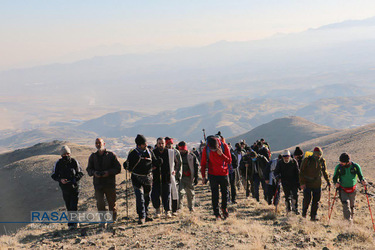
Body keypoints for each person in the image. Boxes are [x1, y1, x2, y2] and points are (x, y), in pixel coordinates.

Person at [86, 138, 121, 225]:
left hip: (109, 184)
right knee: (100, 203)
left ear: (104, 144)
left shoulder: (111, 155)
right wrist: (94, 173)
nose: (98, 144)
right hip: (98, 185)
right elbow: (89, 169)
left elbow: (118, 168)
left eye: (99, 143)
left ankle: (112, 220)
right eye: (96, 143)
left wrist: (108, 172)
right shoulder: (93, 156)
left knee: (112, 203)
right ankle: (103, 221)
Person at [126, 134, 158, 224]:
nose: (146, 145)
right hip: (136, 178)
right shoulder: (133, 153)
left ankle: (146, 214)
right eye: (144, 144)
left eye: (146, 143)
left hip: (148, 178)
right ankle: (141, 216)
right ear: (139, 145)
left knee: (147, 197)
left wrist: (158, 163)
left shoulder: (149, 152)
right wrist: (126, 165)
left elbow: (155, 161)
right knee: (139, 197)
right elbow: (129, 166)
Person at [51, 145, 84, 229]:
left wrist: (74, 179)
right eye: (64, 154)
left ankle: (75, 223)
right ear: (61, 155)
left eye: (67, 153)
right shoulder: (58, 163)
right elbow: (54, 175)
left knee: (74, 206)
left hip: (74, 187)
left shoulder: (74, 162)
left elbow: (80, 173)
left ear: (70, 153)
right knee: (69, 206)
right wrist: (60, 180)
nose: (66, 156)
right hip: (65, 189)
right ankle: (71, 224)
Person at [201, 135, 232, 220]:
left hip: (224, 173)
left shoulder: (224, 146)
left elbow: (229, 160)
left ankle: (224, 208)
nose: (213, 151)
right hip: (212, 174)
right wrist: (203, 176)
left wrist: (221, 154)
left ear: (218, 145)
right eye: (212, 149)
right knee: (215, 194)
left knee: (225, 193)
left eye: (215, 149)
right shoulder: (206, 149)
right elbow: (203, 164)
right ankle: (216, 213)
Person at [332, 153, 366, 221]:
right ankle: (348, 222)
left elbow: (360, 176)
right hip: (343, 189)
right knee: (345, 205)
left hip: (353, 189)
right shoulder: (339, 167)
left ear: (348, 162)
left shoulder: (355, 166)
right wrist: (336, 183)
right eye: (340, 161)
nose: (340, 163)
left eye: (342, 162)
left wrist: (363, 181)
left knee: (351, 206)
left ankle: (351, 220)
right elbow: (334, 178)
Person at [299, 147, 330, 221]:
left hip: (317, 184)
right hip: (307, 183)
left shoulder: (322, 161)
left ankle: (313, 216)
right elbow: (301, 172)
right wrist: (302, 183)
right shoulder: (307, 160)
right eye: (317, 154)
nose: (318, 156)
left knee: (316, 201)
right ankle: (304, 214)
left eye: (319, 154)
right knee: (307, 200)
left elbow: (324, 172)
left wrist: (328, 181)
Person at [274, 150, 300, 215]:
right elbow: (276, 172)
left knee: (295, 195)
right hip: (285, 182)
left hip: (294, 181)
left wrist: (299, 182)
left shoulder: (294, 162)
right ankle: (288, 209)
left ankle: (295, 209)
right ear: (282, 157)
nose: (286, 158)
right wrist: (278, 177)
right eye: (284, 157)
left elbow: (297, 172)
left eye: (287, 156)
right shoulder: (280, 163)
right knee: (287, 196)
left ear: (289, 156)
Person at [177, 141, 199, 211]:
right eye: (180, 150)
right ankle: (179, 208)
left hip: (189, 177)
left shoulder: (191, 156)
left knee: (190, 193)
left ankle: (191, 208)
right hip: (180, 178)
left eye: (183, 149)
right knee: (180, 193)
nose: (181, 151)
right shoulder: (177, 156)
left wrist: (196, 177)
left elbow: (196, 167)